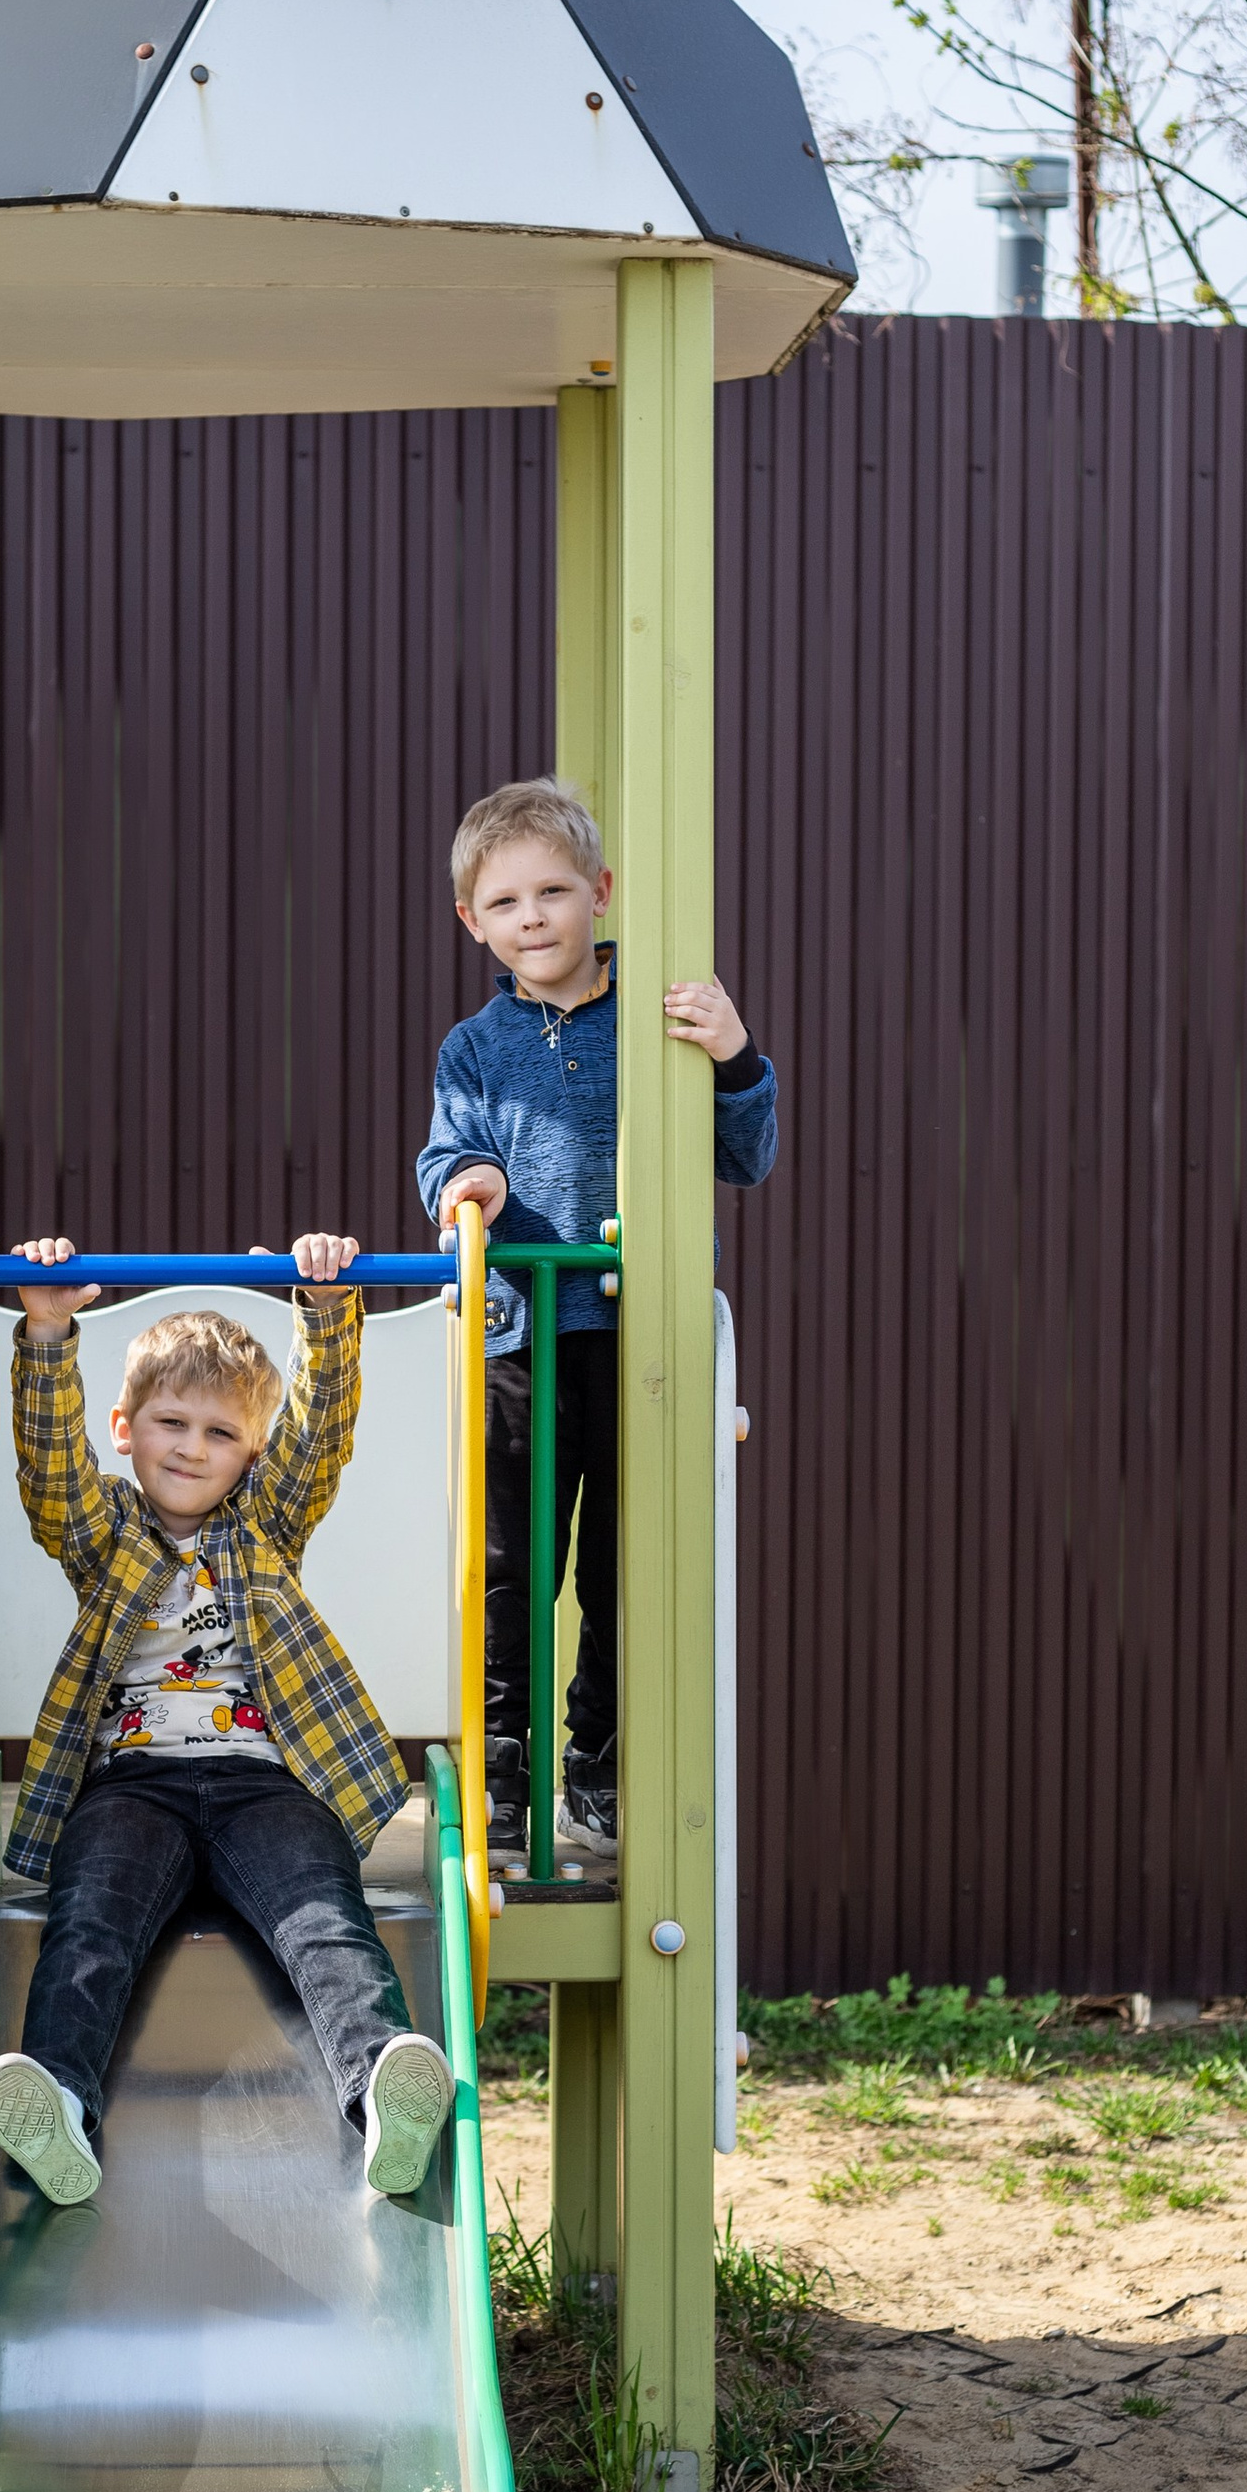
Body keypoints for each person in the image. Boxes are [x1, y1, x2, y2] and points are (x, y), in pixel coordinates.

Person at [0, 1233, 455, 2210]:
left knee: (323, 1920)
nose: (193, 1447)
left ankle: (385, 2101)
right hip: (130, 1789)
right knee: (89, 1926)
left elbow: (321, 1436)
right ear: (125, 1427)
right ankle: (61, 2104)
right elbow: (49, 1468)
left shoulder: (266, 1523)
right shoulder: (101, 1530)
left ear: (250, 1452)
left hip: (265, 1783)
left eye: (221, 1433)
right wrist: (46, 1331)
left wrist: (325, 1313)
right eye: (170, 1422)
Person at [415, 775, 778, 1846]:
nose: (533, 919)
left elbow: (744, 1155)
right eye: (507, 903)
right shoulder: (474, 1048)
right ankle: (502, 1763)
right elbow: (446, 1155)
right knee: (511, 1569)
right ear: (471, 923)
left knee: (625, 1565)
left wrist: (732, 1053)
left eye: (554, 893)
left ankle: (598, 1763)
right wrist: (466, 1185)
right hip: (521, 1338)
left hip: (638, 1337)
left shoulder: (660, 1014)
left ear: (602, 893)